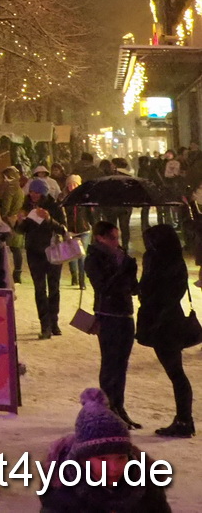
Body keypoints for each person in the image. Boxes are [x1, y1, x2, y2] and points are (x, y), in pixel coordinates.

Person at [38, 389, 173, 512]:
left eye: (121, 458)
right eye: (102, 459)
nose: (114, 468)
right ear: (82, 460)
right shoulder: (61, 492)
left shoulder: (147, 485)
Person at [135, 223, 193, 438]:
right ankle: (184, 420)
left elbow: (160, 293)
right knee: (176, 373)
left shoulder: (166, 264)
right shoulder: (163, 260)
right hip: (165, 321)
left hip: (166, 323)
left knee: (176, 373)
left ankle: (184, 420)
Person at [85, 218, 140, 428]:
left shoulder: (122, 257)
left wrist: (130, 270)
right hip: (107, 314)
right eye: (112, 238)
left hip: (125, 313)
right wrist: (123, 270)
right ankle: (108, 409)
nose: (116, 241)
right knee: (109, 364)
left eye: (117, 237)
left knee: (121, 365)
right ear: (100, 238)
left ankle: (119, 406)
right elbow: (103, 286)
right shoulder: (94, 258)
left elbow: (132, 288)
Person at [16, 177, 68, 339]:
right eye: (31, 191)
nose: (33, 195)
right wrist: (20, 222)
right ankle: (44, 325)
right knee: (39, 289)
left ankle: (54, 322)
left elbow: (63, 229)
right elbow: (21, 231)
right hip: (34, 252)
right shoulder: (26, 206)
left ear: (44, 193)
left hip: (52, 251)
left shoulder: (55, 206)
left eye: (37, 192)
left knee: (54, 288)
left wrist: (48, 219)